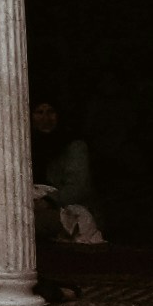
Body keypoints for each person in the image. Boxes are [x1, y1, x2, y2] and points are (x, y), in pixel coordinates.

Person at [31, 100, 105, 247]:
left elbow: (77, 188)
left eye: (51, 112)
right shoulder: (27, 144)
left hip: (71, 211)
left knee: (23, 222)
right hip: (36, 204)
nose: (46, 119)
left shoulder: (74, 146)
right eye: (40, 113)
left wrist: (48, 201)